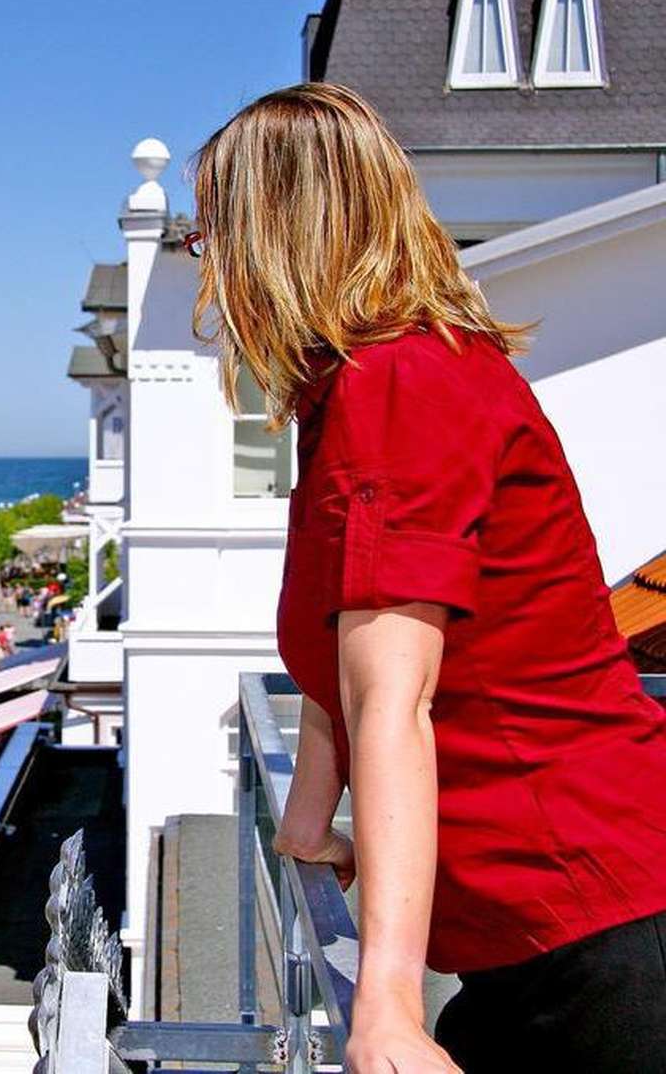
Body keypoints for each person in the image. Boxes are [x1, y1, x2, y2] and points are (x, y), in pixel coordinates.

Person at [195, 82, 666, 1073]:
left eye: (214, 239)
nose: (213, 275)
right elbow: (343, 661)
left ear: (272, 238)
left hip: (593, 921)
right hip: (540, 924)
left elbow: (393, 701)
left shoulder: (399, 390)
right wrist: (310, 821)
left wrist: (387, 1011)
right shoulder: (367, 386)